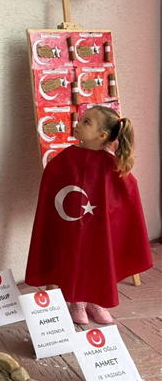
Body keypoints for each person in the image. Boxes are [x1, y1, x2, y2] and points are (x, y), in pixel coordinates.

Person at [25, 106, 152, 325]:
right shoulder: (65, 158)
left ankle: (96, 301)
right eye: (82, 119)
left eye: (86, 122)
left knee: (98, 259)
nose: (78, 123)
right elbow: (51, 185)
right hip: (70, 226)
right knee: (74, 258)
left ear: (101, 135)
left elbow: (128, 193)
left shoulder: (111, 164)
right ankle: (77, 301)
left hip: (100, 227)